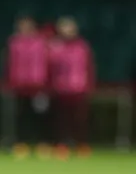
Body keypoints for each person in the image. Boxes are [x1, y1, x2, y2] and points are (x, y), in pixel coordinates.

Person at [47, 17, 95, 157]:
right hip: (60, 89)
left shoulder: (82, 47)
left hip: (79, 88)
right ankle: (62, 146)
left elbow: (89, 67)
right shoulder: (54, 47)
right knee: (61, 120)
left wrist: (89, 85)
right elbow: (50, 68)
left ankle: (82, 145)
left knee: (80, 119)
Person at [6, 16, 50, 157]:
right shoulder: (14, 43)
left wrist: (45, 82)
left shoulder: (41, 42)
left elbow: (47, 62)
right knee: (20, 117)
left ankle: (41, 145)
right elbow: (10, 64)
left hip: (38, 86)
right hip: (20, 86)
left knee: (40, 117)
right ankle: (21, 145)